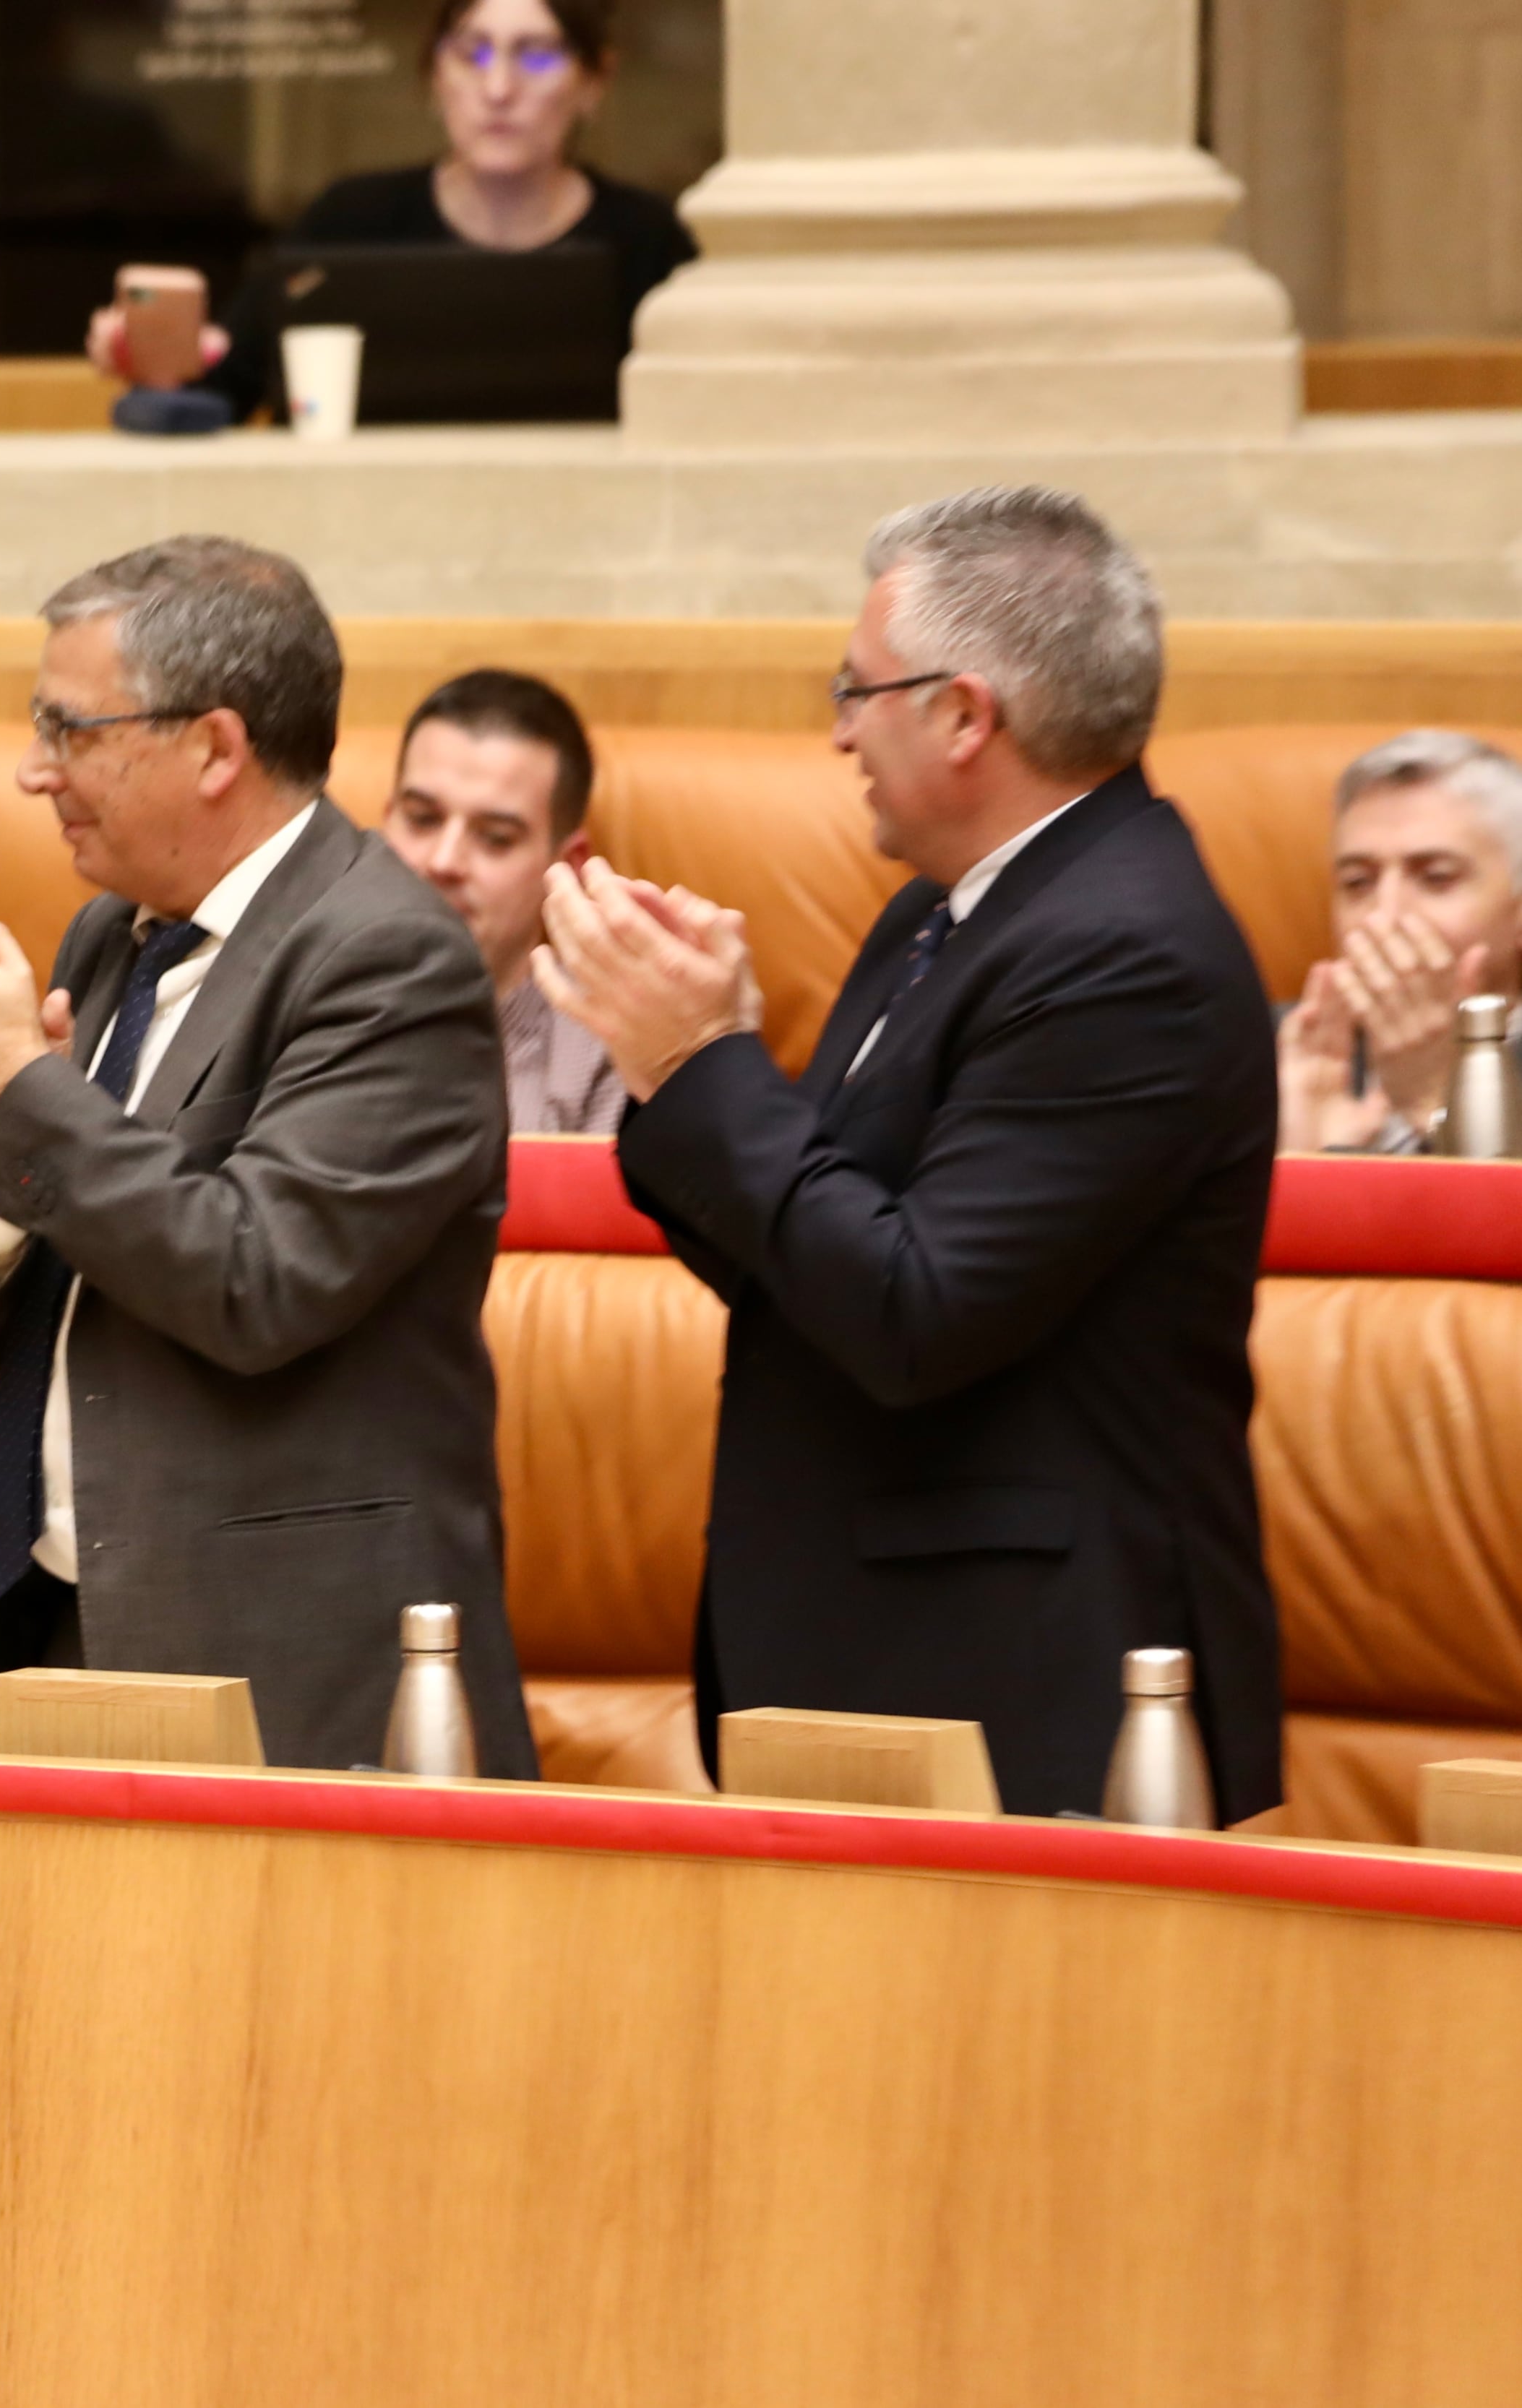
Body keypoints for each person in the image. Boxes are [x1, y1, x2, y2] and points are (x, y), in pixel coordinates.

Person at [537, 486, 1283, 1821]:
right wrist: (675, 1061)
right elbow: (815, 1255)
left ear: (962, 713)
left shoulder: (1125, 952)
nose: (836, 731)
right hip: (890, 1662)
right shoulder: (944, 915)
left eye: (856, 687)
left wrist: (709, 1063)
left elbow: (914, 1310)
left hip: (1028, 1691)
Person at [0, 537, 533, 1777]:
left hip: (292, 1662)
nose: (33, 771)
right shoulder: (108, 939)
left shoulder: (389, 957)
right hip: (67, 1611)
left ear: (215, 747)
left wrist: (20, 1093)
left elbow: (255, 1278)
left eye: (70, 729)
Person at [89, 0, 697, 425]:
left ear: (595, 81)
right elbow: (217, 396)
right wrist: (153, 363)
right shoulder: (348, 223)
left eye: (536, 57)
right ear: (434, 74)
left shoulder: (648, 242)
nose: (499, 89)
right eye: (471, 53)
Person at [383, 668, 623, 1133]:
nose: (444, 861)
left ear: (567, 865)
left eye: (495, 838)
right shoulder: (290, 1000)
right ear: (386, 821)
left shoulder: (610, 1052)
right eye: (422, 819)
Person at [1276, 730, 1522, 1153]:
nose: (1383, 915)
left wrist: (1438, 1103)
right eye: (1358, 882)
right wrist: (1292, 1164)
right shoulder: (1273, 1053)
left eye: (1437, 878)